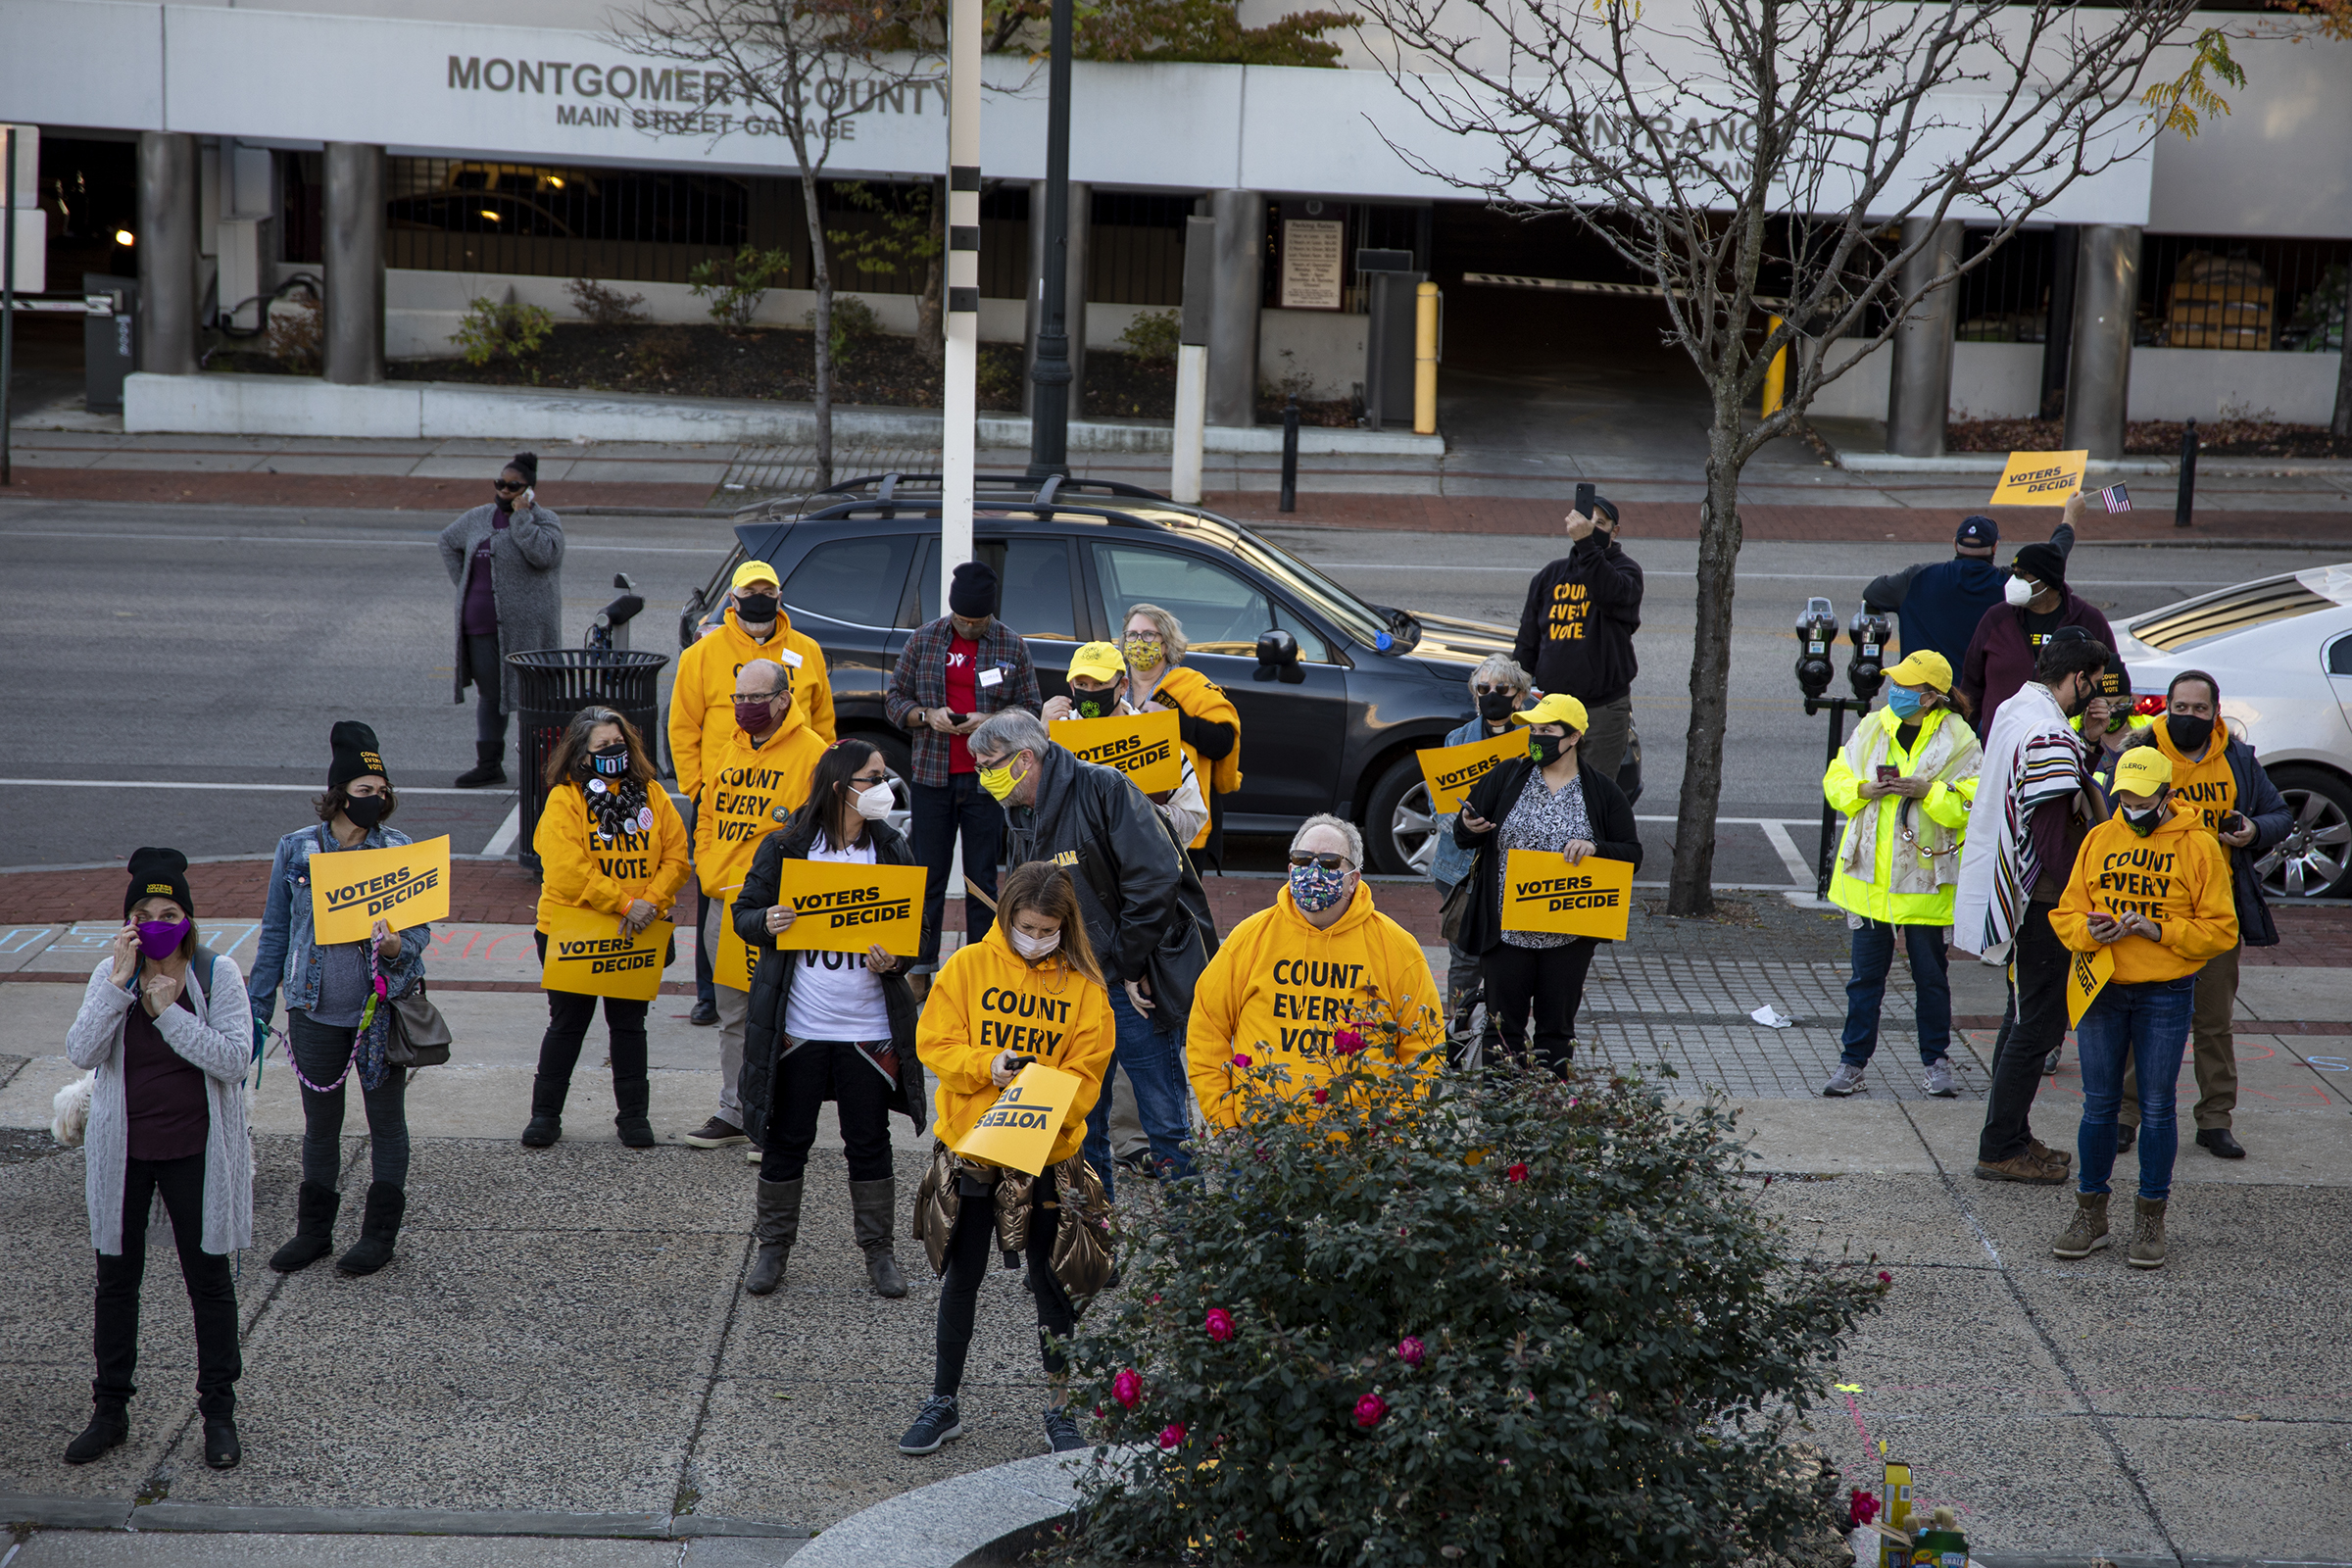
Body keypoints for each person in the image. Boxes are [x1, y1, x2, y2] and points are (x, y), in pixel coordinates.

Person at [899, 862, 1116, 1458]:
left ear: (1065, 927)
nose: (1036, 937)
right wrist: (987, 1066)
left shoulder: (1086, 988)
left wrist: (1041, 1101)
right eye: (1026, 926)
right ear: (1006, 918)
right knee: (960, 1277)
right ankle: (943, 1401)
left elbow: (1087, 1077)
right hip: (973, 1151)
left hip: (1047, 1157)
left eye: (1049, 930)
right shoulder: (968, 968)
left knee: (1053, 1284)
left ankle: (1060, 1408)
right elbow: (933, 1041)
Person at [61, 849, 253, 1472]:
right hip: (124, 1154)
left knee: (209, 1282)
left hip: (197, 1151)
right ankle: (110, 1411)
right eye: (143, 913)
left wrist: (167, 1011)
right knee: (116, 1282)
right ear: (127, 923)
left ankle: (218, 1413)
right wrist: (120, 989)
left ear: (189, 920)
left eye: (169, 912)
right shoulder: (108, 974)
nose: (156, 923)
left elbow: (231, 1060)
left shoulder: (216, 973)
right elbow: (81, 1052)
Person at [970, 708, 1207, 1200]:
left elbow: (1156, 878)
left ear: (1025, 760)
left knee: (1164, 1123)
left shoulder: (1104, 788)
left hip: (1125, 985)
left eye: (988, 763)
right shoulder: (1020, 813)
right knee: (1083, 1127)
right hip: (1072, 987)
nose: (981, 775)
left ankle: (1196, 1250)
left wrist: (1129, 965)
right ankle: (1097, 1250)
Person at [732, 739, 926, 1299]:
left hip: (867, 1030)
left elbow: (915, 934)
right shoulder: (787, 846)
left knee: (869, 1143)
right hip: (800, 1029)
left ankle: (879, 1253)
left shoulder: (892, 848)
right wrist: (765, 920)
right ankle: (772, 1250)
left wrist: (898, 961)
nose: (885, 787)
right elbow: (745, 913)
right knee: (786, 1139)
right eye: (874, 776)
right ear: (842, 787)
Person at [250, 722, 431, 1277]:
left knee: (386, 1123)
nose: (374, 799)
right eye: (364, 789)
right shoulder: (297, 849)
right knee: (320, 1124)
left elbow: (421, 932)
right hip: (312, 1011)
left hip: (381, 1014)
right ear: (338, 793)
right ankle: (314, 1233)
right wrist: (257, 1007)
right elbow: (276, 932)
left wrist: (401, 943)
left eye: (381, 790)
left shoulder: (398, 851)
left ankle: (379, 1237)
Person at [2048, 748, 2237, 1270]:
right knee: (2098, 1105)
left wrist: (2160, 930)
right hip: (2103, 986)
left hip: (2165, 993)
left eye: (2142, 796)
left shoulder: (2199, 847)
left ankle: (2151, 1217)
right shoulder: (2100, 838)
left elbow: (2223, 930)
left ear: (2167, 795)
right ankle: (2092, 1213)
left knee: (2156, 1108)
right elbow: (2065, 912)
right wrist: (2089, 930)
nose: (2131, 804)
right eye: (2124, 795)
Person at [2096, 670, 2291, 1161]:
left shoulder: (2239, 760)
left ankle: (2215, 1120)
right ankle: (2126, 1116)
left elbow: (2280, 816)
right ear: (2167, 706)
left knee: (2213, 1022)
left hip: (2214, 913)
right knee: (2143, 1019)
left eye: (2199, 710)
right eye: (2180, 708)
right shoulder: (2139, 753)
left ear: (2215, 713)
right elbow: (2103, 813)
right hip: (2144, 914)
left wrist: (2252, 829)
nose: (2188, 718)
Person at [1952, 635, 2113, 1185]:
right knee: (2037, 1027)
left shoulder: (2020, 707)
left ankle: (2011, 1134)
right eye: (2094, 683)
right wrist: (2080, 894)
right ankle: (1999, 1147)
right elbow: (2051, 827)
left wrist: (2087, 741)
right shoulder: (2046, 729)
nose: (2095, 696)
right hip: (2043, 901)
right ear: (2082, 678)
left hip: (2018, 894)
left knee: (2019, 1018)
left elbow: (2051, 790)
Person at [1188, 814, 1443, 1125]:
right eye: (1303, 859)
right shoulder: (1249, 939)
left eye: (1330, 861)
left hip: (1365, 1151)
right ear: (1290, 869)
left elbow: (1425, 1048)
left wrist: (1398, 1134)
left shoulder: (1397, 948)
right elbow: (1206, 1031)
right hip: (1260, 1147)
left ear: (1354, 879)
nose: (1314, 870)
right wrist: (1225, 1126)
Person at [671, 559, 838, 1027]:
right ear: (733, 598)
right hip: (724, 793)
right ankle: (710, 991)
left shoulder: (806, 650)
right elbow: (683, 726)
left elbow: (823, 721)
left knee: (781, 893)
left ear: (779, 598)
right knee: (716, 894)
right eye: (751, 592)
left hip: (787, 793)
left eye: (768, 592)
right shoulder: (703, 654)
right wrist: (698, 788)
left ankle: (785, 986)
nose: (760, 600)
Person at [1817, 652, 1983, 1099]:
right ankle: (1852, 1063)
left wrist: (1929, 792)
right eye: (1897, 684)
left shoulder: (1959, 738)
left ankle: (1937, 1062)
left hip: (1924, 883)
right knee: (1864, 981)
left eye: (1908, 687)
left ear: (1931, 697)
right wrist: (1861, 790)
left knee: (1931, 978)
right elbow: (1836, 779)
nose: (1897, 692)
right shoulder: (1873, 725)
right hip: (1869, 884)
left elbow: (1973, 801)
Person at [524, 707, 691, 1150]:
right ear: (582, 753)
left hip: (639, 928)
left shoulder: (652, 794)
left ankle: (634, 1117)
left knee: (629, 1026)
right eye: (601, 746)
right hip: (574, 927)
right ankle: (545, 1115)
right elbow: (564, 868)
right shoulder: (565, 798)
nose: (612, 751)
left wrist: (648, 905)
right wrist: (624, 903)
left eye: (617, 743)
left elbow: (677, 858)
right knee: (567, 1025)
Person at [1450, 692, 1642, 1074]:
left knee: (1556, 1032)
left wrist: (1596, 847)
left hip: (1567, 937)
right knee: (1502, 1033)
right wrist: (1467, 826)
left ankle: (1551, 1116)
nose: (1536, 738)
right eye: (1533, 730)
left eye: (1547, 730)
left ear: (1573, 738)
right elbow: (1466, 830)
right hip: (1506, 934)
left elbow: (1632, 854)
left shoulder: (1603, 792)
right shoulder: (1507, 776)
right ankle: (1500, 1115)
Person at [684, 659, 828, 1151]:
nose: (743, 708)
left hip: (779, 911)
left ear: (783, 699)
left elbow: (820, 832)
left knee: (785, 1016)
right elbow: (707, 813)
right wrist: (707, 865)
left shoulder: (812, 754)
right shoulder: (730, 747)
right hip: (725, 904)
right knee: (734, 1016)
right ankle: (735, 1109)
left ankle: (777, 1122)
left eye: (754, 698)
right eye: (738, 698)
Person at [884, 561, 1043, 971]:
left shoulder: (1011, 645)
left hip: (989, 783)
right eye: (961, 618)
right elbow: (894, 698)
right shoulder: (925, 640)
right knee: (927, 878)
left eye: (976, 620)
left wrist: (989, 722)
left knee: (983, 881)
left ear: (990, 614)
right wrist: (926, 716)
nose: (968, 626)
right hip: (932, 778)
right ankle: (919, 967)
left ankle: (983, 967)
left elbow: (1031, 710)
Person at [437, 452, 564, 789]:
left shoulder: (545, 520)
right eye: (500, 484)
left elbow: (545, 556)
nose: (505, 490)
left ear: (529, 490)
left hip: (527, 628)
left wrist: (522, 519)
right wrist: (466, 583)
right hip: (479, 626)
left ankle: (544, 766)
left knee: (533, 696)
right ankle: (489, 764)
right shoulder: (478, 518)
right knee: (491, 697)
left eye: (513, 486)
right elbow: (447, 542)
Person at [1429, 655, 1533, 1056]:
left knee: (1508, 956)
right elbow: (1443, 806)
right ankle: (1459, 1036)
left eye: (1501, 690)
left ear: (1519, 697)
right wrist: (1462, 824)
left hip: (1514, 868)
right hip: (1463, 870)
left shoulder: (1533, 739)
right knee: (1465, 956)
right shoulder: (1457, 739)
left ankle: (1501, 1039)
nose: (1491, 697)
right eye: (1483, 689)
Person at [1509, 496, 1642, 783]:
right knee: (1550, 787)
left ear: (1614, 532)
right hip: (1555, 708)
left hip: (1602, 710)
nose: (1592, 528)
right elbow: (1528, 642)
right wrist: (1516, 688)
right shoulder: (1550, 576)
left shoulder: (1626, 571)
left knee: (1594, 793)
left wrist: (1586, 544)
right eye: (1586, 521)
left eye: (1600, 523)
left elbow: (1608, 593)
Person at [1958, 493, 2114, 737]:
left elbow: (2112, 681)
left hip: (2061, 749)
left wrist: (2094, 737)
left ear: (2048, 583)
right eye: (2014, 572)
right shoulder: (1996, 619)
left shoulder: (2089, 621)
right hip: (2001, 747)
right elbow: (1971, 688)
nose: (2014, 580)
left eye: (2023, 575)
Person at [1042, 640, 1210, 849]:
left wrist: (1141, 814)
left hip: (1140, 867)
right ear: (1071, 687)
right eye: (1082, 685)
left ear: (1123, 686)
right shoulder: (1053, 738)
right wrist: (1040, 737)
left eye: (1100, 684)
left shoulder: (1153, 735)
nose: (1091, 691)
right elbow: (1024, 808)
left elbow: (1192, 819)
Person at [1116, 604, 1241, 860]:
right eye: (1132, 634)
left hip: (1178, 817)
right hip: (1119, 816)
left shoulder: (1191, 686)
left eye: (1149, 635)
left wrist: (1175, 720)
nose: (1139, 642)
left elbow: (1223, 742)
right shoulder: (1110, 684)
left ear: (1166, 643)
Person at [1861, 514, 2009, 672]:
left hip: (1920, 689)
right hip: (1977, 693)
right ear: (1995, 547)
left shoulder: (1918, 577)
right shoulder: (2008, 585)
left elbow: (1872, 592)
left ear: (1955, 544)